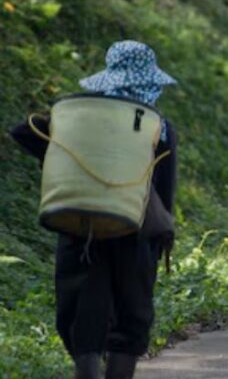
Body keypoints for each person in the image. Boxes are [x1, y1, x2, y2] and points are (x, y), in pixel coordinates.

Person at [9, 41, 178, 379]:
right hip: (135, 231)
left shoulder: (80, 120)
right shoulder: (157, 128)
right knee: (132, 311)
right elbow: (164, 189)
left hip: (79, 225)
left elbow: (21, 131)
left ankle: (86, 372)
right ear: (150, 82)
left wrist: (59, 152)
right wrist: (162, 234)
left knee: (82, 306)